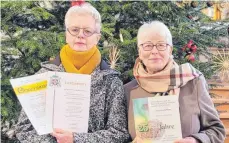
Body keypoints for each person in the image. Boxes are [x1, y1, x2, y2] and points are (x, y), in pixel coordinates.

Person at [14, 2, 129, 143]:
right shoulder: (43, 75)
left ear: (97, 37)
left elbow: (119, 132)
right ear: (66, 34)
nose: (80, 35)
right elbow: (23, 130)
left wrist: (76, 139)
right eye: (74, 30)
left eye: (87, 31)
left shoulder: (111, 80)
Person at [124, 21, 226, 143]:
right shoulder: (128, 91)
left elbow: (217, 130)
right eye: (147, 45)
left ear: (170, 50)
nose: (154, 51)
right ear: (139, 51)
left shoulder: (193, 82)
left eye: (161, 45)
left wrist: (196, 140)